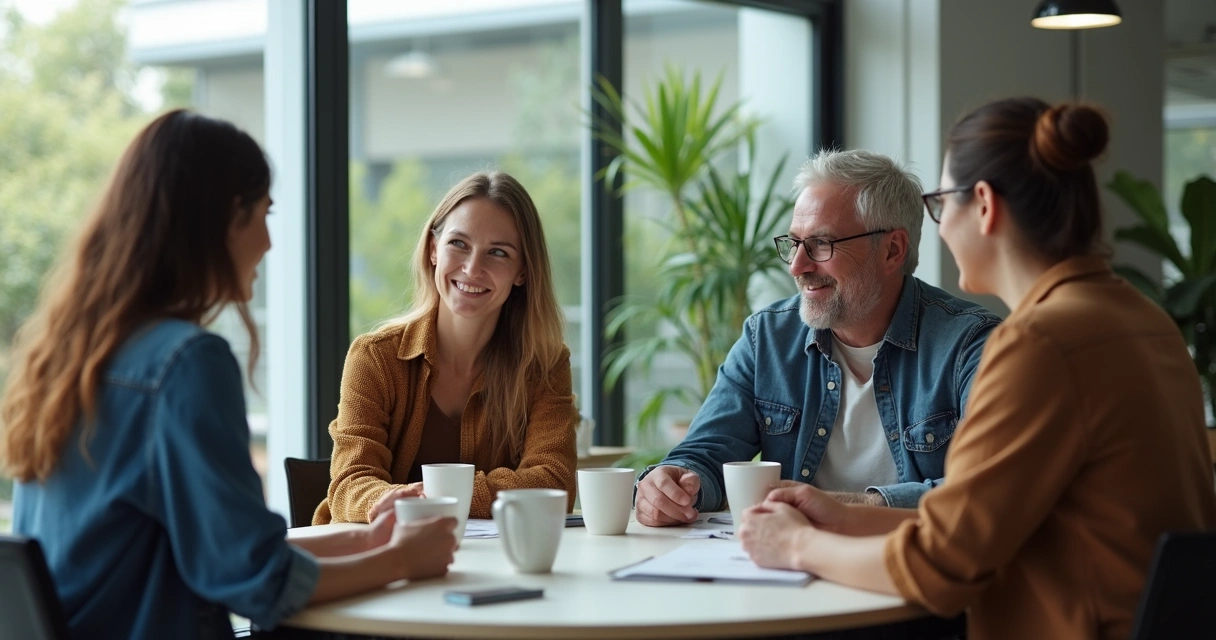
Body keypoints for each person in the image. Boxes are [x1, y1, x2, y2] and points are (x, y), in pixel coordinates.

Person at [738, 98, 1216, 639]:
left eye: (940, 204)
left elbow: (939, 568)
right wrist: (842, 516)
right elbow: (976, 521)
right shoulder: (1140, 317)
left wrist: (797, 545)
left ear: (984, 205)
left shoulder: (1039, 343)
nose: (936, 229)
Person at [0, 110, 458, 639]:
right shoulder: (187, 364)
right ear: (220, 219)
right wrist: (402, 562)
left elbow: (219, 550)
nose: (267, 242)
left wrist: (364, 541)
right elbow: (258, 581)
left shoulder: (66, 355)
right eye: (263, 213)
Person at [634, 149, 1001, 526]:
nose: (797, 266)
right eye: (794, 243)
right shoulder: (767, 339)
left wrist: (848, 508)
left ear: (892, 250)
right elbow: (705, 453)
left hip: (912, 569)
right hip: (789, 565)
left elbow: (990, 489)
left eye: (821, 244)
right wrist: (673, 484)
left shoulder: (972, 345)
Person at [314, 171, 578, 525]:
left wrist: (436, 498)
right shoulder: (374, 358)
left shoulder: (544, 365)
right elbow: (349, 484)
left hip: (492, 565)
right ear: (433, 249)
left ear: (523, 272)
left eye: (498, 252)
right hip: (375, 560)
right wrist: (396, 499)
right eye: (459, 244)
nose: (472, 268)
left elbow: (554, 482)